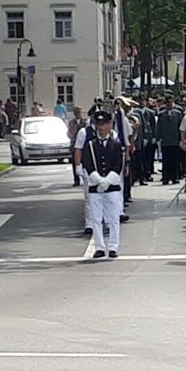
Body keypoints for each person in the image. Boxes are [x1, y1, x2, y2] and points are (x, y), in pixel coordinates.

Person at [82, 111, 124, 259]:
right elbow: (87, 164)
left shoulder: (116, 144)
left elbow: (118, 165)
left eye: (104, 124)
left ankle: (113, 247)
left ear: (109, 125)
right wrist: (98, 180)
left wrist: (107, 181)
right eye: (98, 124)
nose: (100, 127)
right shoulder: (90, 145)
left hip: (111, 187)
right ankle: (99, 247)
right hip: (95, 187)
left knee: (113, 218)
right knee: (96, 218)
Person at [156, 96, 183, 185]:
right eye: (167, 103)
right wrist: (158, 138)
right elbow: (159, 127)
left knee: (175, 160)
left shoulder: (178, 113)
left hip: (175, 140)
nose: (169, 105)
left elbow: (180, 127)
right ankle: (165, 178)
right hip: (165, 141)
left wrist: (180, 139)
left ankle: (175, 177)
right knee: (166, 161)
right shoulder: (161, 114)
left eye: (170, 103)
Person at [67, 106, 86, 186]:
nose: (78, 114)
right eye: (76, 112)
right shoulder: (71, 122)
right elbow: (69, 132)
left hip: (84, 145)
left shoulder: (85, 122)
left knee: (84, 162)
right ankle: (76, 180)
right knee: (74, 163)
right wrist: (72, 135)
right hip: (74, 144)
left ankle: (85, 179)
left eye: (79, 112)